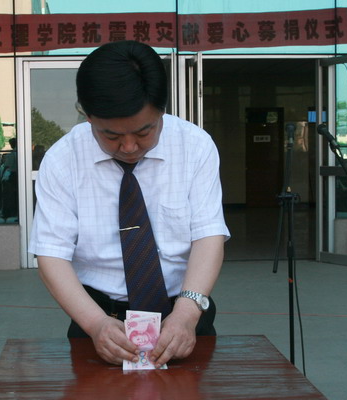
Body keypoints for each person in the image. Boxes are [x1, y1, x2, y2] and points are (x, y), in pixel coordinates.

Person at [29, 40, 230, 367]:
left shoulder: (195, 147)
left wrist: (187, 313)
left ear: (161, 110)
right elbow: (51, 254)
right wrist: (95, 324)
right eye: (110, 135)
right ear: (86, 114)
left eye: (144, 132)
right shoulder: (62, 160)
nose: (129, 147)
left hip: (184, 312)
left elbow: (208, 236)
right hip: (98, 318)